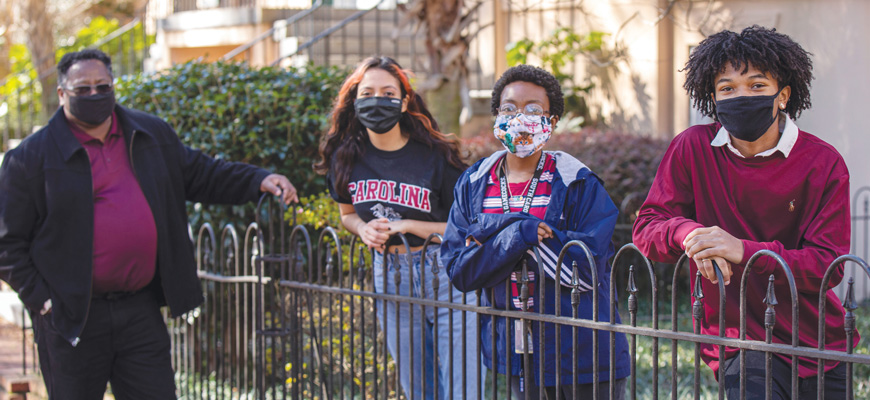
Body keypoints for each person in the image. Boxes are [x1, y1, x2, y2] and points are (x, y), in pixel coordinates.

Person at [0, 49, 298, 399]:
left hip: (139, 310)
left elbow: (201, 174)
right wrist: (45, 302)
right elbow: (7, 244)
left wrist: (259, 180)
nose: (94, 95)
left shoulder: (149, 135)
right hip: (72, 317)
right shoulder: (30, 158)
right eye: (83, 89)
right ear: (62, 94)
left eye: (102, 86)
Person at [632, 26, 859, 399]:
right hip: (741, 342)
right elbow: (648, 227)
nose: (742, 96)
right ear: (714, 98)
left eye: (756, 86)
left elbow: (828, 266)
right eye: (727, 88)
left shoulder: (822, 162)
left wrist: (744, 251)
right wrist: (688, 234)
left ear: (782, 95)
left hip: (822, 343)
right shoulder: (693, 148)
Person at [441, 64, 630, 399]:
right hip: (514, 347)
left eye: (532, 110)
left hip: (580, 349)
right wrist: (521, 232)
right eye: (509, 108)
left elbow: (584, 271)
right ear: (497, 116)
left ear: (551, 122)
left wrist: (492, 236)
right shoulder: (473, 183)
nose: (519, 118)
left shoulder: (577, 181)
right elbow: (461, 270)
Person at [314, 56, 483, 400]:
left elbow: (467, 227)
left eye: (388, 92)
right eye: (368, 92)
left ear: (404, 101)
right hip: (391, 276)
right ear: (355, 100)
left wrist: (409, 224)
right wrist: (362, 228)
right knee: (418, 387)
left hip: (445, 271)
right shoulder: (345, 157)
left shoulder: (437, 155)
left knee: (464, 388)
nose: (377, 100)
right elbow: (347, 213)